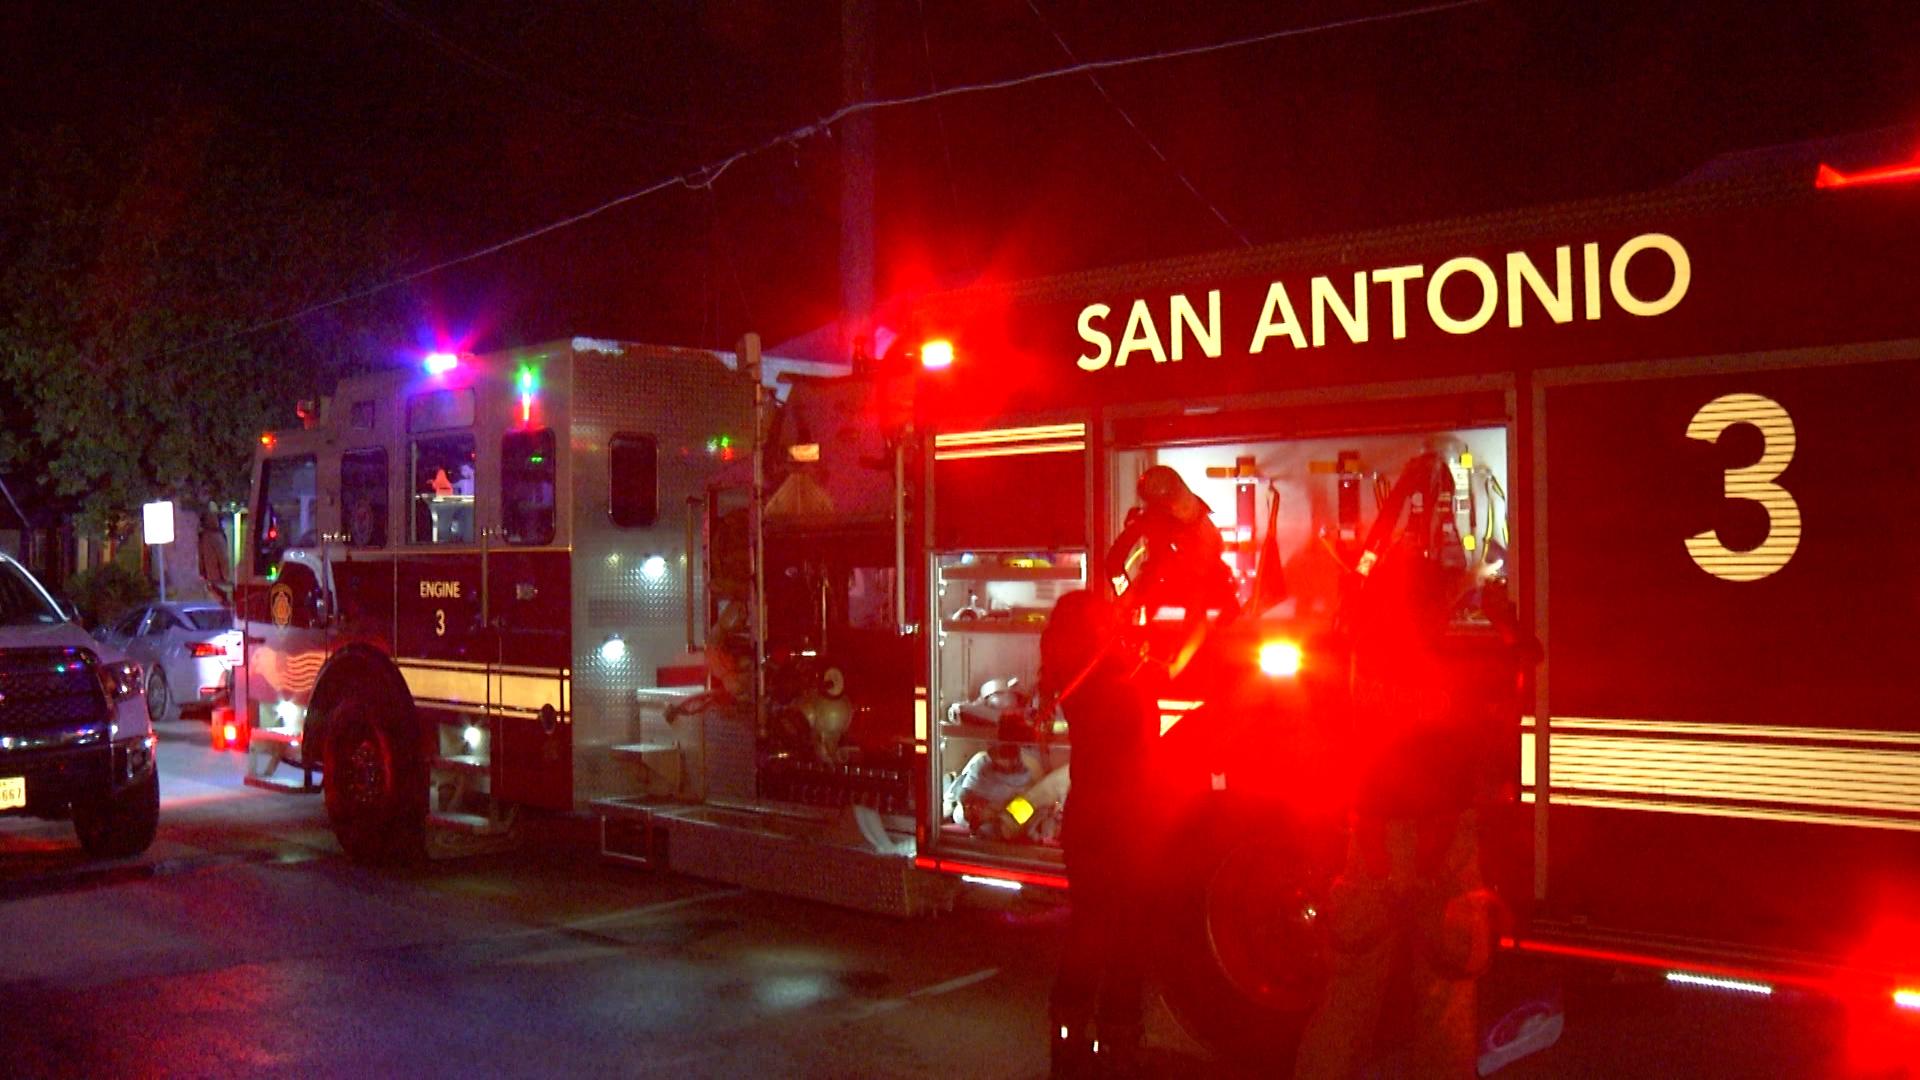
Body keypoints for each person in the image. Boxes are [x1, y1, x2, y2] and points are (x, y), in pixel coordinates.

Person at [1293, 456, 1538, 1080]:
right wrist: (1504, 618)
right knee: (1446, 996)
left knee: (1349, 995)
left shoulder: (1359, 655)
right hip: (1442, 842)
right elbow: (1520, 676)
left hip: (1372, 836)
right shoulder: (1451, 661)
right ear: (1431, 605)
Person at [1043, 589, 1162, 1079]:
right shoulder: (1109, 681)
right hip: (1119, 821)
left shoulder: (1077, 676)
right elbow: (1142, 744)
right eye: (1105, 616)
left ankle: (1073, 1041)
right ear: (1092, 629)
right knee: (1119, 934)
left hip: (1090, 817)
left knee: (1093, 931)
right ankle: (1115, 1040)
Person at [1103, 465, 1240, 678]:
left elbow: (1206, 572)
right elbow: (1114, 561)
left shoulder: (1200, 528)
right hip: (1161, 576)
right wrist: (1125, 593)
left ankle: (1171, 669)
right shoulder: (1150, 520)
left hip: (1193, 580)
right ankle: (1123, 653)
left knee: (1196, 610)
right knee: (1131, 607)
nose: (1178, 510)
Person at [197, 505, 231, 605]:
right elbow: (224, 559)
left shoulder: (203, 537)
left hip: (211, 581)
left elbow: (201, 561)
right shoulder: (216, 537)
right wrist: (227, 578)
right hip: (219, 581)